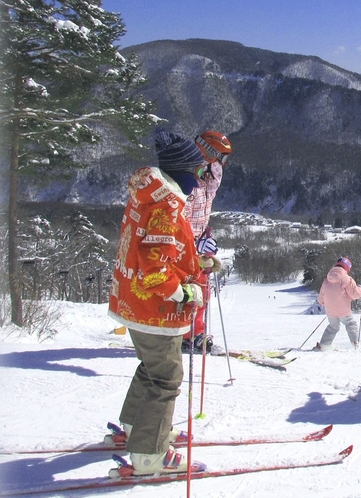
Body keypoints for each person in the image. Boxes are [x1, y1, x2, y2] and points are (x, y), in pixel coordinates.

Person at [108, 131, 216, 476]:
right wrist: (186, 292)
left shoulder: (150, 197)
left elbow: (158, 252)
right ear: (183, 171)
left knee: (152, 368)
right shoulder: (167, 206)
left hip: (132, 303)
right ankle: (150, 453)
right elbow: (155, 272)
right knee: (167, 378)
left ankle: (136, 427)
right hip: (154, 310)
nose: (200, 181)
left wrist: (198, 263)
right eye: (198, 173)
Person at [181, 131, 232, 353]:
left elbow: (211, 189)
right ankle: (184, 334)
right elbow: (178, 218)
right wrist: (192, 244)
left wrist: (204, 237)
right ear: (208, 152)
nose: (222, 163)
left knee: (202, 289)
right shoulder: (185, 179)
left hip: (198, 241)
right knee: (188, 291)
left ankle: (196, 332)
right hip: (183, 245)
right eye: (221, 157)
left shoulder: (208, 177)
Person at [313, 257, 361, 351]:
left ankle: (324, 345)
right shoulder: (347, 279)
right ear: (347, 268)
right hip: (343, 309)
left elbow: (321, 298)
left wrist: (326, 304)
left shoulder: (326, 280)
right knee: (350, 324)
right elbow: (355, 294)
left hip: (330, 310)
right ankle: (355, 343)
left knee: (333, 326)